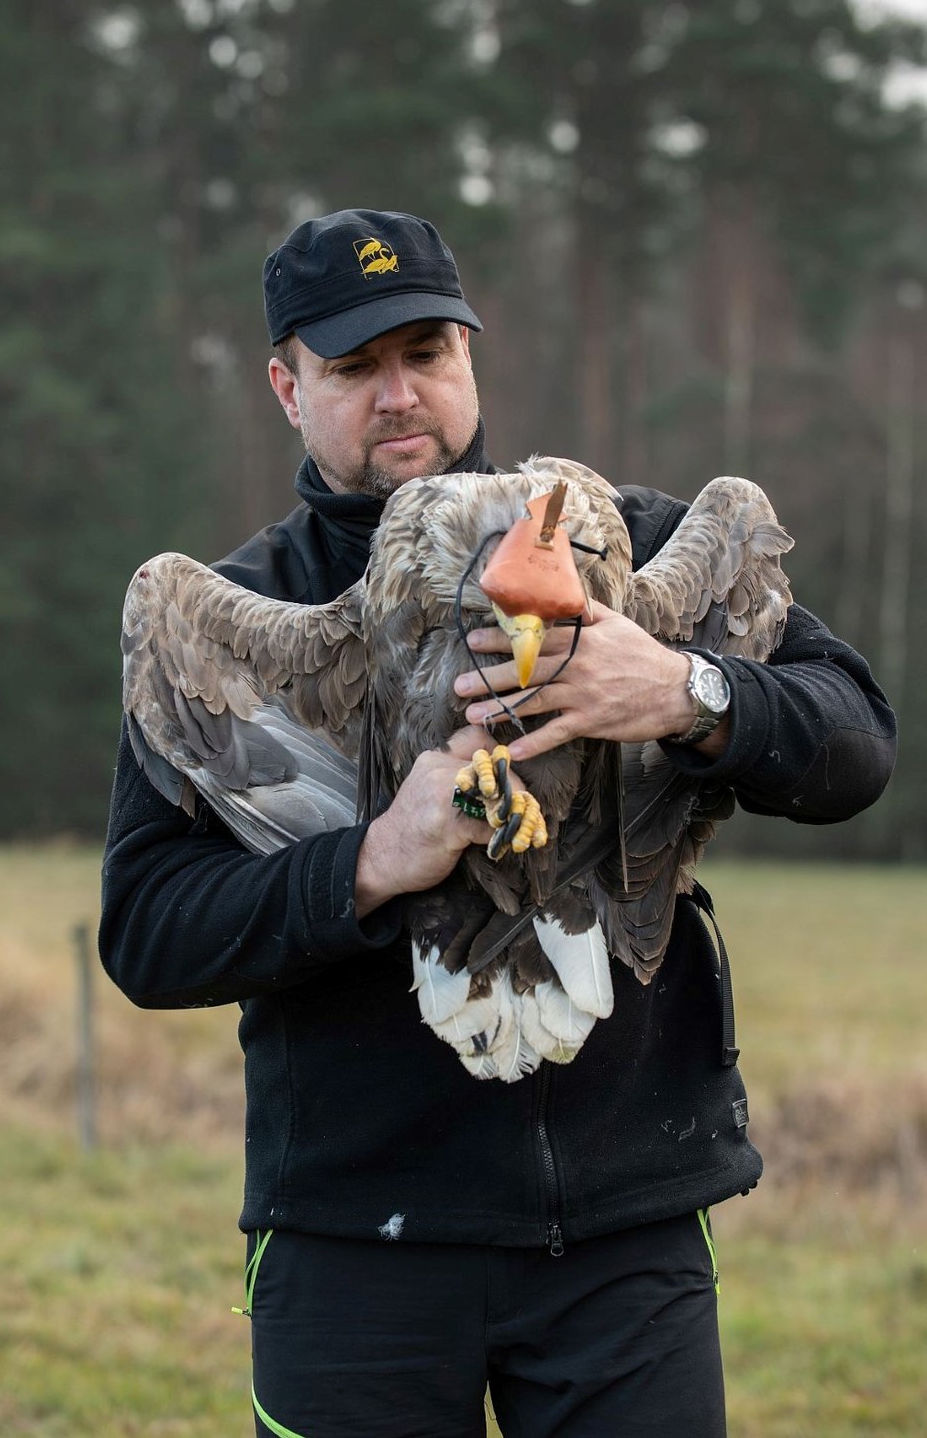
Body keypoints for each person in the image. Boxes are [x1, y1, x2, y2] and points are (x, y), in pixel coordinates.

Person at [100, 208, 896, 1437]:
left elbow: (857, 745)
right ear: (285, 385)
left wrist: (684, 692)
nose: (399, 393)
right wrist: (370, 861)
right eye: (354, 367)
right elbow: (149, 932)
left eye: (426, 351)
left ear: (473, 352)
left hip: (625, 1240)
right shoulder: (241, 612)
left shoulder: (623, 542)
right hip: (356, 1239)